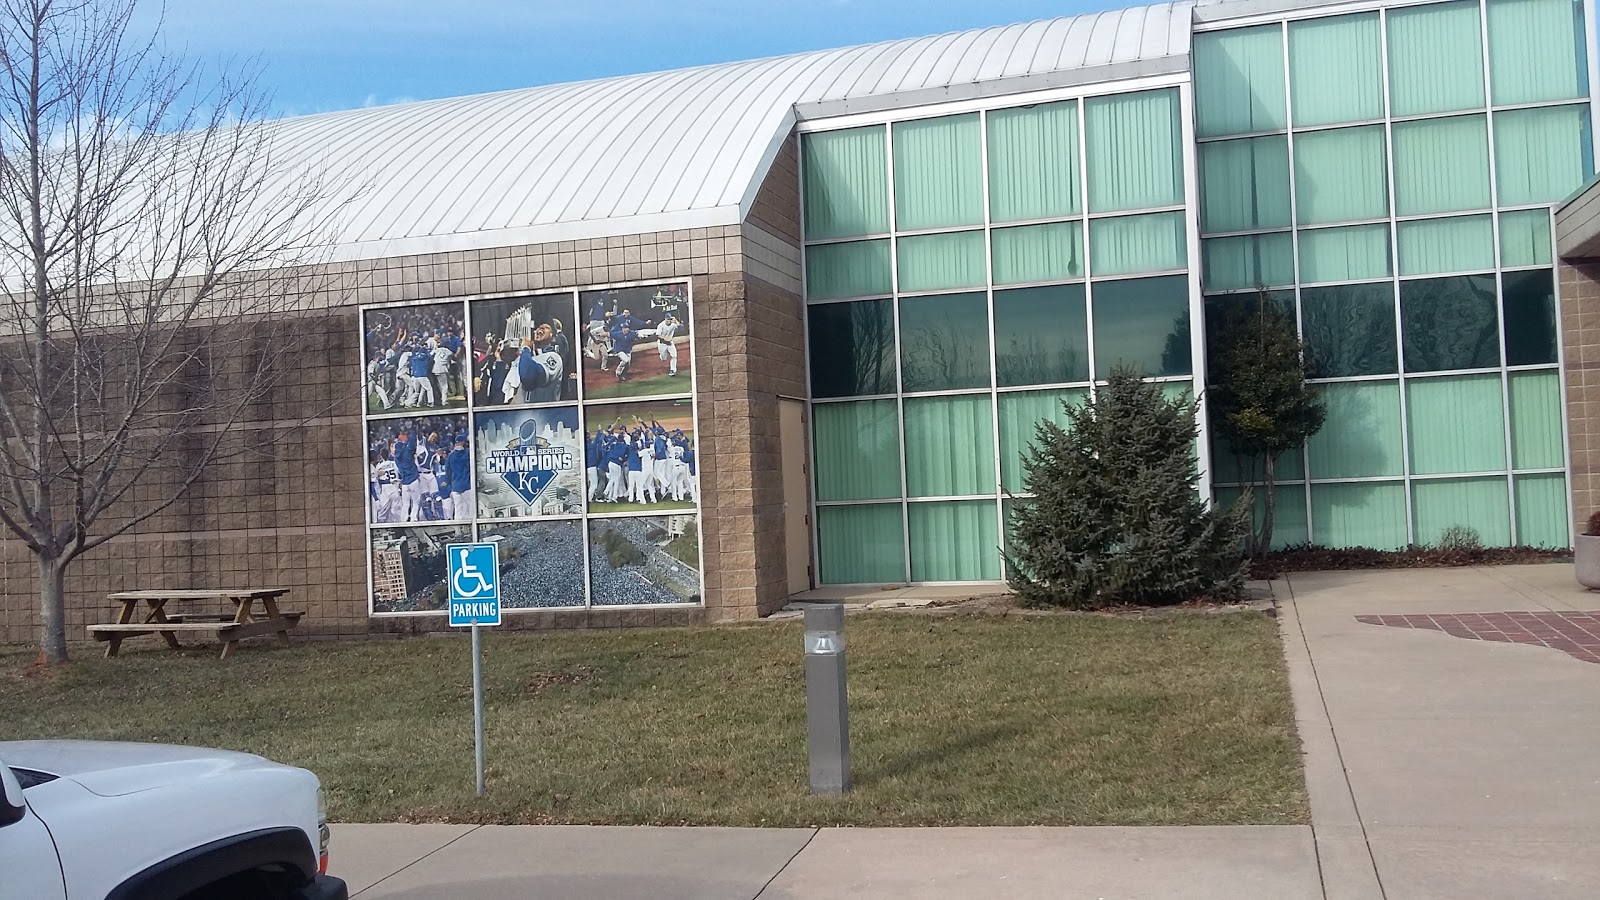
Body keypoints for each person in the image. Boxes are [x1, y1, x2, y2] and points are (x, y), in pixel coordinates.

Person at [394, 431, 422, 522]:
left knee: (405, 504)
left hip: (404, 483)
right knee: (416, 502)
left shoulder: (396, 458)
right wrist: (413, 432)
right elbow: (412, 444)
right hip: (413, 480)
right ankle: (414, 518)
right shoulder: (407, 452)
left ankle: (404, 519)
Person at [446, 433, 472, 520]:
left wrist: (451, 485)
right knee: (471, 507)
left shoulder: (451, 455)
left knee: (458, 509)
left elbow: (448, 472)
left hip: (455, 486)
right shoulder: (468, 452)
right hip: (467, 485)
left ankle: (458, 527)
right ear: (463, 442)